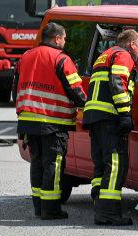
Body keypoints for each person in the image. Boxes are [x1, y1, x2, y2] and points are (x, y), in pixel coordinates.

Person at [15, 22, 86, 219]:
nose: (65, 41)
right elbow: (76, 90)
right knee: (53, 164)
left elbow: (16, 89)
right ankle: (51, 209)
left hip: (28, 119)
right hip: (53, 121)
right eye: (64, 38)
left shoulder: (25, 57)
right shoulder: (61, 59)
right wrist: (88, 106)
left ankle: (39, 207)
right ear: (57, 38)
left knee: (36, 162)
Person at [84, 29, 138, 225]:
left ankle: (100, 205)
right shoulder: (123, 56)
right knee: (116, 163)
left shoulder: (105, 55)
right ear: (132, 44)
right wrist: (125, 113)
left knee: (101, 164)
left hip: (94, 116)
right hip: (110, 116)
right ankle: (108, 213)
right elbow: (118, 83)